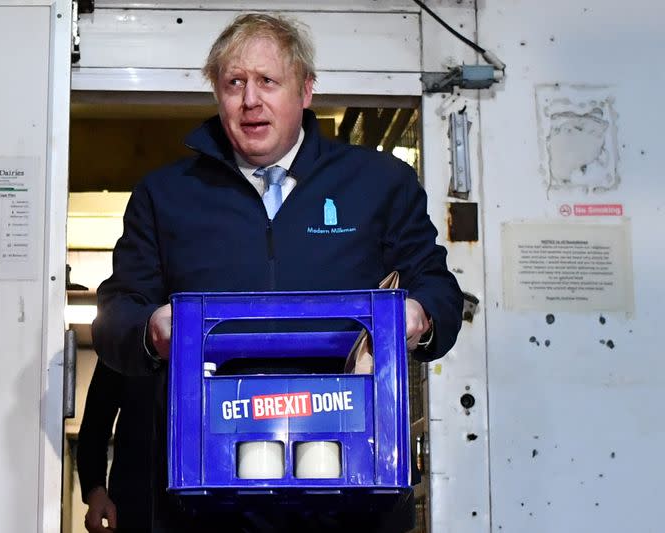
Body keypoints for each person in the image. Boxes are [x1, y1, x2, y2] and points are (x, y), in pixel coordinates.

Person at [92, 12, 463, 532]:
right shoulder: (165, 195)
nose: (250, 101)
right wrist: (151, 332)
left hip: (351, 485)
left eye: (268, 81)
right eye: (234, 83)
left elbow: (439, 289)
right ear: (217, 94)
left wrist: (420, 317)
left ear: (306, 90)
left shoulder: (379, 184)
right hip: (206, 488)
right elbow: (114, 317)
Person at [77, 360, 156, 532]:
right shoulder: (123, 336)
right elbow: (95, 423)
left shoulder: (219, 335)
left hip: (212, 502)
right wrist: (94, 489)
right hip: (135, 502)